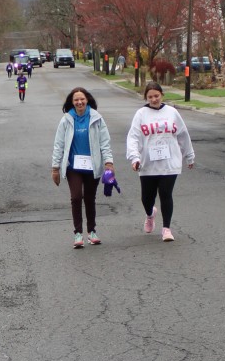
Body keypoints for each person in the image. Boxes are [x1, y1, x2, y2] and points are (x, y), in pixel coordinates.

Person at [126, 80, 195, 242]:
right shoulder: (141, 114)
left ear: (162, 95)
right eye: (150, 97)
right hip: (148, 163)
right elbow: (133, 137)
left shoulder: (172, 112)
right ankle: (150, 214)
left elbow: (183, 134)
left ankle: (166, 229)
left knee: (165, 194)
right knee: (146, 198)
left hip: (169, 162)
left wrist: (189, 155)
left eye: (156, 96)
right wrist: (134, 157)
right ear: (146, 98)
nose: (154, 99)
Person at [51, 86, 115, 249]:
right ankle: (78, 233)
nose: (79, 102)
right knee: (76, 197)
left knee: (89, 198)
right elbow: (59, 144)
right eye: (76, 100)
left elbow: (105, 142)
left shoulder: (96, 118)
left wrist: (108, 162)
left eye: (82, 99)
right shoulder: (67, 119)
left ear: (87, 100)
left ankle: (92, 231)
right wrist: (55, 168)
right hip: (73, 167)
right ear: (72, 102)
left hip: (92, 166)